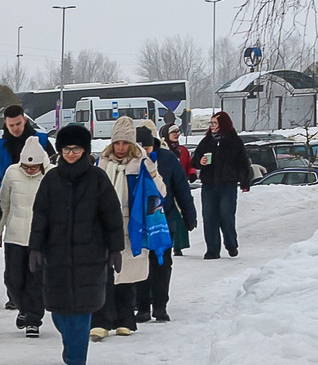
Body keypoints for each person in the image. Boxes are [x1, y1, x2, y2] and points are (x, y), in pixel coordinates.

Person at [26, 123, 124, 365]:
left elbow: (111, 215)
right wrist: (35, 247)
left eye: (76, 148)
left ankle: (75, 359)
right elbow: (40, 216)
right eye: (66, 149)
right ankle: (71, 345)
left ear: (85, 150)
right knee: (59, 312)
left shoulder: (97, 178)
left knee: (81, 311)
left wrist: (115, 249)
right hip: (56, 254)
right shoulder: (51, 179)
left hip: (89, 254)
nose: (71, 153)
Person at [94, 116, 174, 336]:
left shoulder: (141, 164)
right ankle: (101, 320)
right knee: (104, 273)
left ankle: (125, 319)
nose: (120, 148)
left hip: (133, 224)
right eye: (117, 143)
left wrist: (153, 172)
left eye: (125, 143)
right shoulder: (102, 164)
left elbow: (161, 193)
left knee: (127, 275)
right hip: (105, 225)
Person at [136, 125, 197, 323]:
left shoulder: (168, 159)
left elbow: (181, 189)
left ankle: (160, 306)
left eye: (147, 147)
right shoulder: (132, 162)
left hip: (164, 220)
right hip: (139, 224)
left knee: (162, 263)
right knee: (141, 264)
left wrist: (189, 215)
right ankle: (143, 307)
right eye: (139, 147)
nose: (144, 152)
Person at [0, 134, 53, 337]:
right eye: (26, 167)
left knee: (35, 281)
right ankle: (23, 308)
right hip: (15, 236)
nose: (29, 170)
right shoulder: (12, 173)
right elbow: (4, 203)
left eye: (34, 167)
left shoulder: (51, 175)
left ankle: (33, 319)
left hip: (40, 238)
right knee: (13, 279)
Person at [191, 110, 251, 258]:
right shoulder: (206, 141)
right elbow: (195, 159)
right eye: (210, 123)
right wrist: (200, 162)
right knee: (209, 216)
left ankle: (231, 244)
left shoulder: (234, 141)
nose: (211, 126)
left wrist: (244, 181)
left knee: (226, 215)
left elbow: (243, 163)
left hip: (228, 184)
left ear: (222, 124)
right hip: (209, 184)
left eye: (214, 123)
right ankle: (212, 249)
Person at [0, 105, 41, 193]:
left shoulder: (41, 141)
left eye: (18, 124)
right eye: (11, 125)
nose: (15, 128)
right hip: (6, 195)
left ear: (25, 120)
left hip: (36, 195)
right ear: (5, 124)